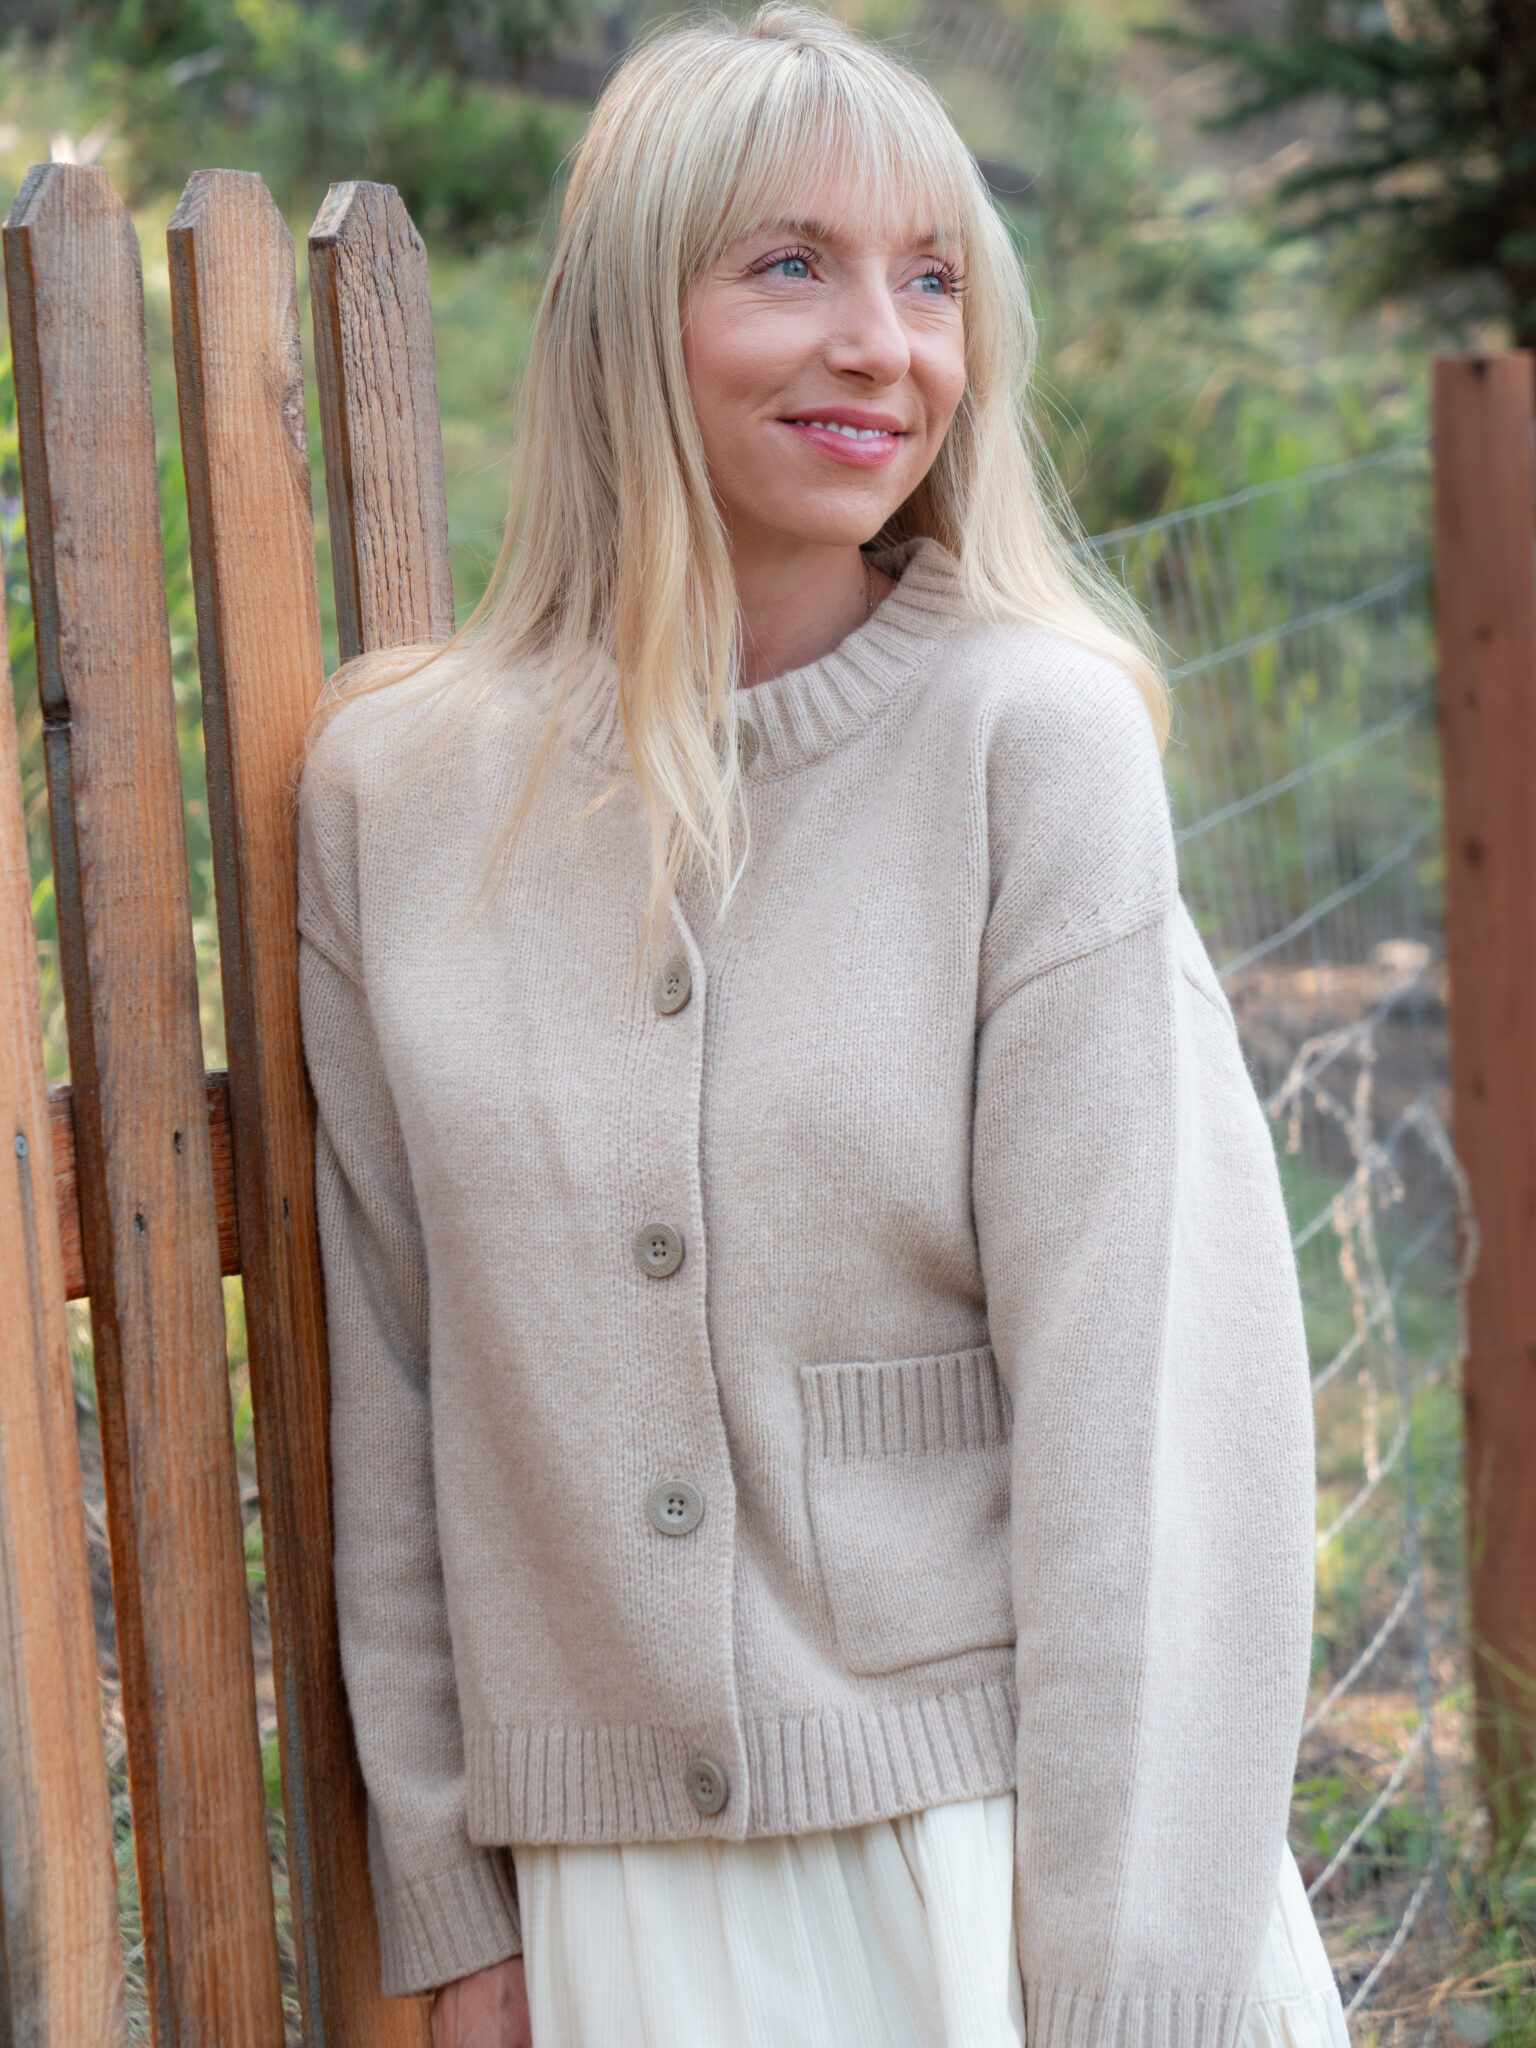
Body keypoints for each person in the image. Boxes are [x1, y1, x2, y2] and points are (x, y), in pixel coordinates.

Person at [295, 10, 1351, 2046]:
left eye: (932, 276)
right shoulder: (392, 796)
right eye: (792, 265)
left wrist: (1130, 1984)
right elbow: (397, 1383)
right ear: (625, 320)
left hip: (990, 1874)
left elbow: (1154, 1424)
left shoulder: (1029, 747)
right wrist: (451, 1907)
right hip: (611, 1921)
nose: (885, 343)